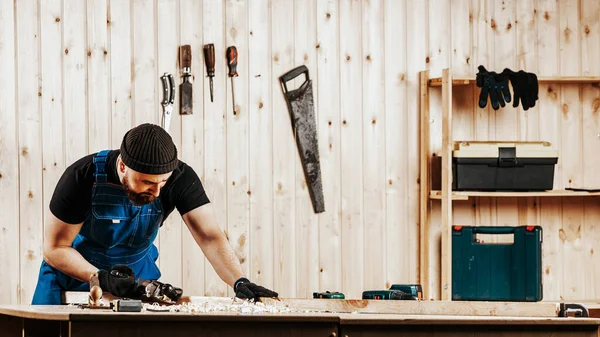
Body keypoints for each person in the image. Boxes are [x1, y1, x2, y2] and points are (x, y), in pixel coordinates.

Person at [32, 123, 278, 304]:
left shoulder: (180, 178)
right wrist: (100, 278)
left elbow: (209, 236)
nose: (157, 192)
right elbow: (55, 248)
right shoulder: (82, 177)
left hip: (135, 282)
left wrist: (239, 281)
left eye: (163, 182)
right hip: (70, 278)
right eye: (148, 183)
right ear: (122, 166)